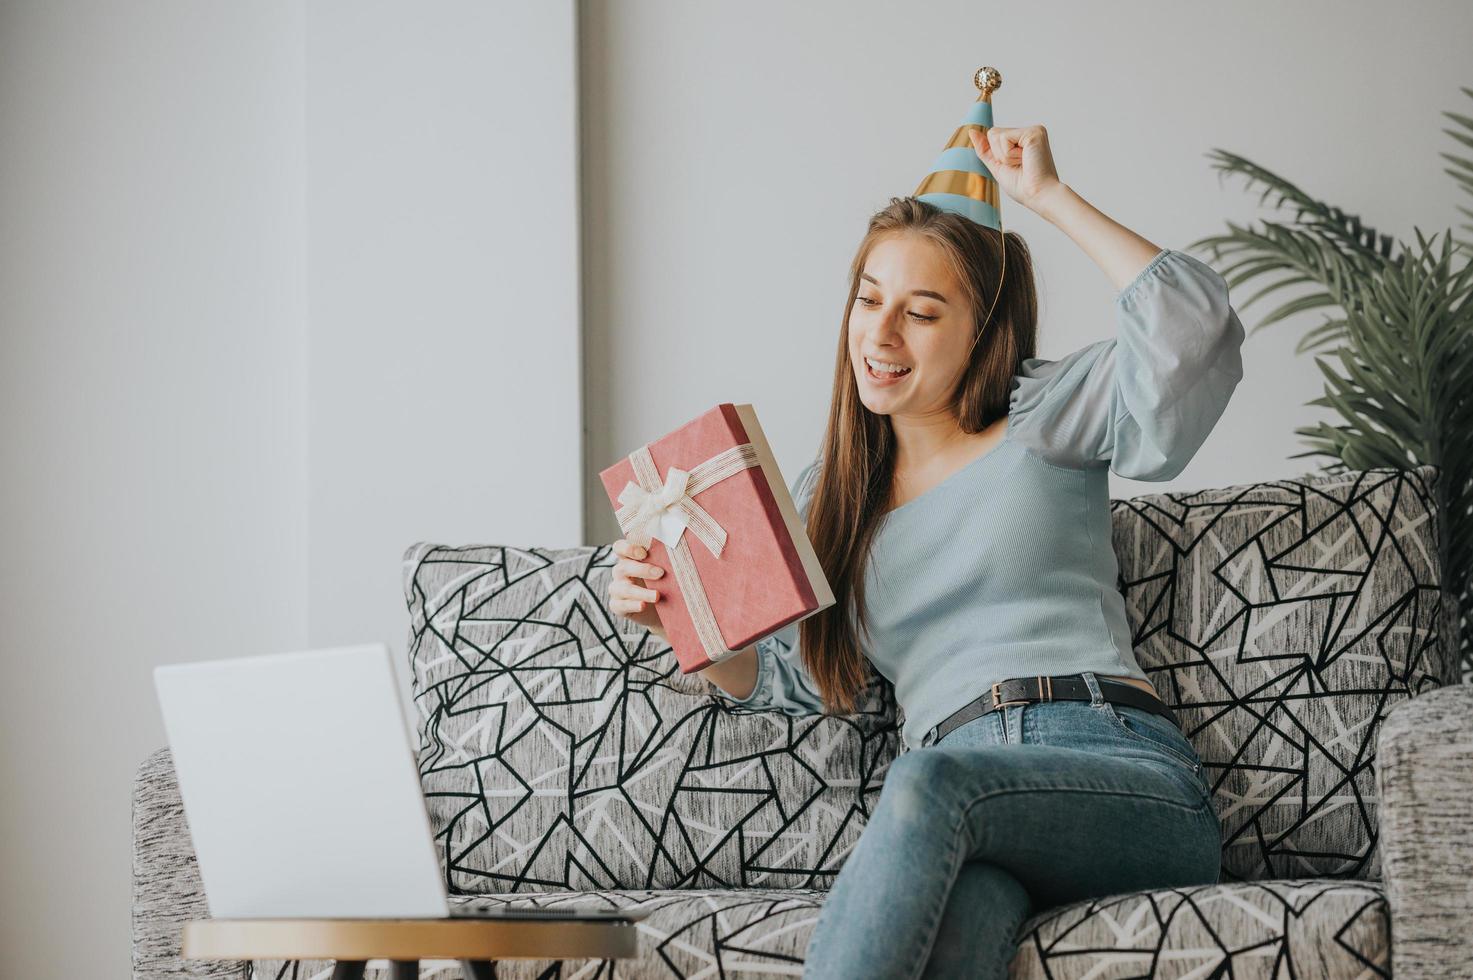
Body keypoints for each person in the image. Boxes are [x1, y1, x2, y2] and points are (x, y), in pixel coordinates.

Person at [607, 117, 1240, 979]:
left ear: (980, 329)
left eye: (922, 311)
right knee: (959, 920)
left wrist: (1049, 197)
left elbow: (1191, 332)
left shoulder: (1045, 412)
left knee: (924, 783)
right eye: (868, 299)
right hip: (969, 813)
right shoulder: (826, 496)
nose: (880, 335)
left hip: (1108, 763)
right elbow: (798, 676)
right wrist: (675, 616)